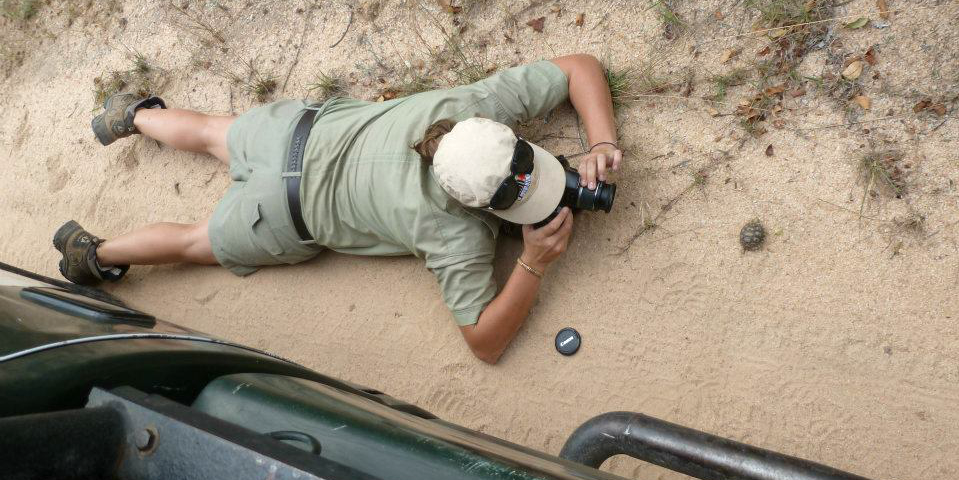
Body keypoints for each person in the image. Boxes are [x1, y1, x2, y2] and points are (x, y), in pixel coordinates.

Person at [53, 53, 624, 364]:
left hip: (293, 135)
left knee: (206, 131)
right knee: (192, 242)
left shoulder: (468, 108)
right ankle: (93, 253)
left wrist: (600, 145)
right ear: (476, 210)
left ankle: (130, 116)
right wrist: (533, 265)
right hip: (280, 212)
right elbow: (484, 343)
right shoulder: (454, 230)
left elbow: (579, 67)